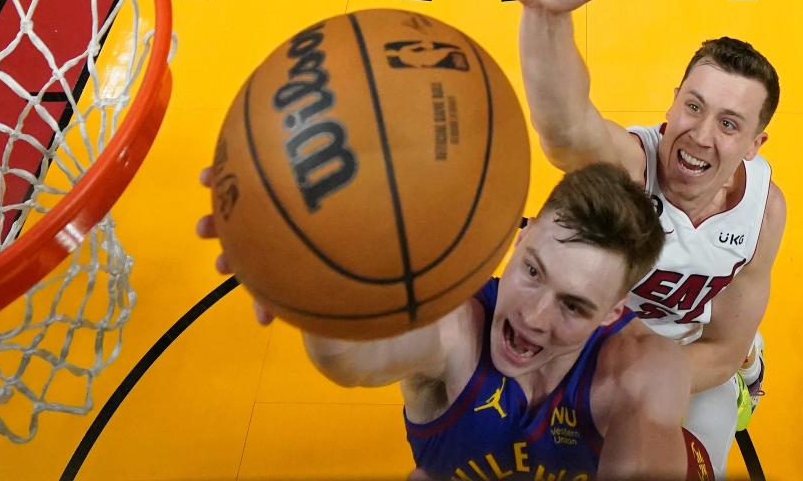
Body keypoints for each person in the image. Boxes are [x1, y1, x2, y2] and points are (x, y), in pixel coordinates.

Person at [460, 0, 785, 478]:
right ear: (672, 102)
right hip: (586, 339)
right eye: (692, 105)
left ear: (754, 145)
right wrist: (546, 13)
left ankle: (749, 380)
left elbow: (724, 342)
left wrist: (631, 388)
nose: (698, 133)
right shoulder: (630, 168)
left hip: (678, 354)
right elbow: (564, 126)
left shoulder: (764, 212)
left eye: (729, 123)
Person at [198, 163, 704, 480]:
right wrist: (313, 285)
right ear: (518, 240)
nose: (531, 317)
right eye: (531, 271)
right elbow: (347, 359)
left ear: (614, 312)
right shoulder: (456, 324)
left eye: (573, 306)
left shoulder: (641, 370)